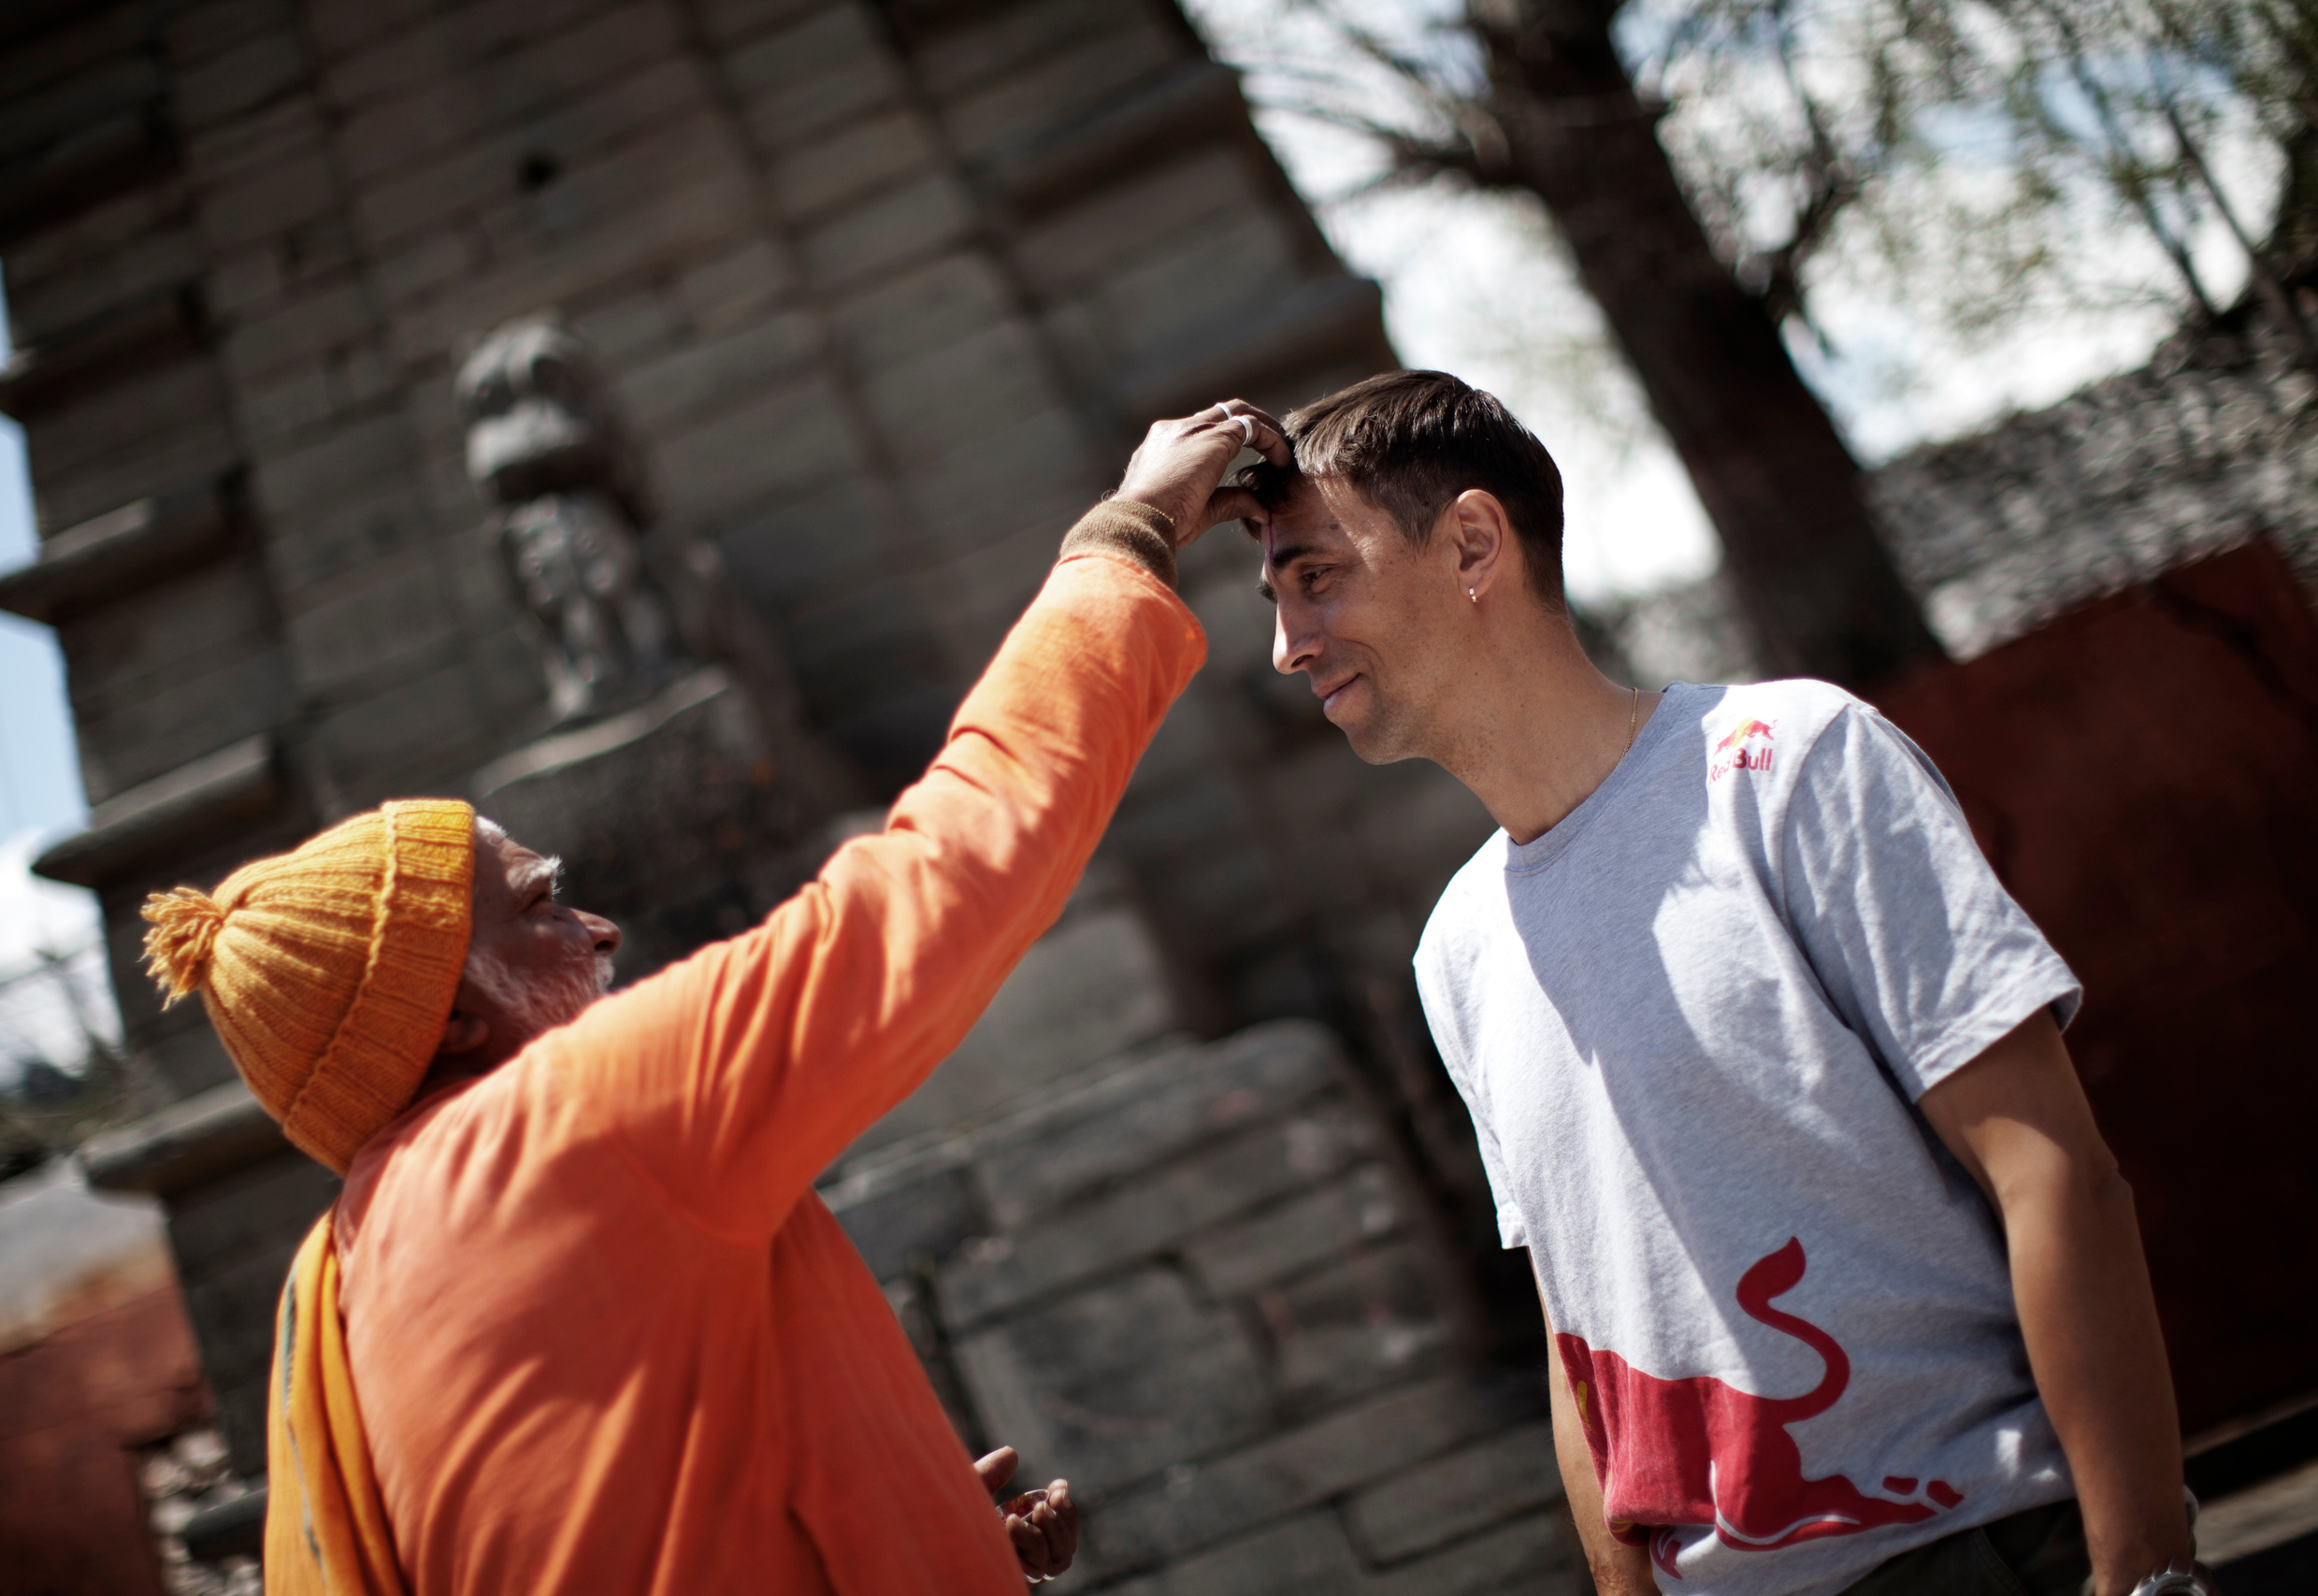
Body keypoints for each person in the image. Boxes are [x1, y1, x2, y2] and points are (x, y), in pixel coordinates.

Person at [137, 403, 1290, 1596]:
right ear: (457, 1020)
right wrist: (1130, 533)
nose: (600, 928)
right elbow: (947, 878)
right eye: (540, 906)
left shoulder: (346, 1276)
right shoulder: (560, 1130)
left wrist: (927, 1534)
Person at [1241, 369, 2203, 1596]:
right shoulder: (1459, 948)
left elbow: (2053, 1169)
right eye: (1276, 598)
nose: (1286, 644)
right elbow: (1575, 1334)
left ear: (1474, 542)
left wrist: (2144, 1572)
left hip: (1983, 1545)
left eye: (1317, 577)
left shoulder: (1790, 762)